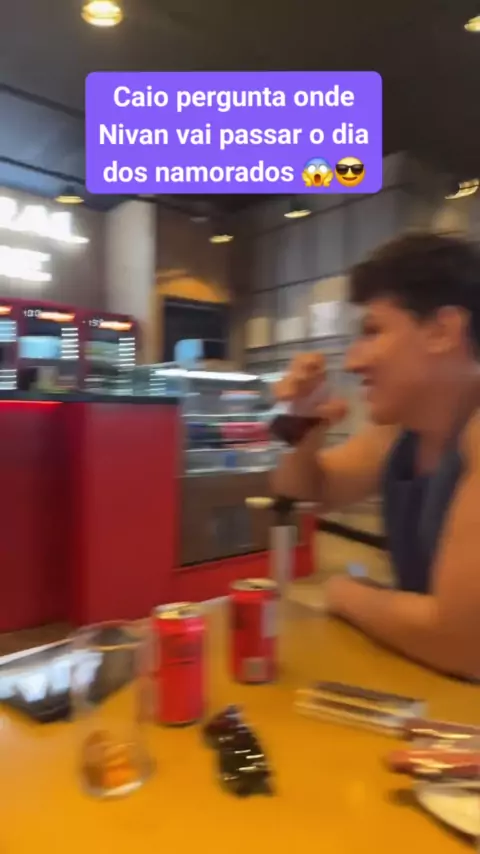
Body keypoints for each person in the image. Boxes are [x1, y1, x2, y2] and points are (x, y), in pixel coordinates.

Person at [273, 231, 480, 680]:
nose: (352, 362)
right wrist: (305, 424)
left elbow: (466, 644)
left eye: (372, 331)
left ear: (442, 331)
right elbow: (301, 491)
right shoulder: (399, 434)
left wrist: (345, 592)